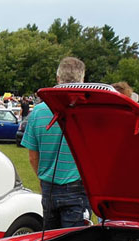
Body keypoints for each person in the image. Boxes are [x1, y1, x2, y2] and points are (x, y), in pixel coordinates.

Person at [20, 56, 89, 229]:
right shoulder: (89, 112)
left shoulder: (38, 112)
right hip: (77, 188)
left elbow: (32, 157)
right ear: (82, 80)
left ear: (58, 79)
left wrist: (42, 180)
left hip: (49, 187)